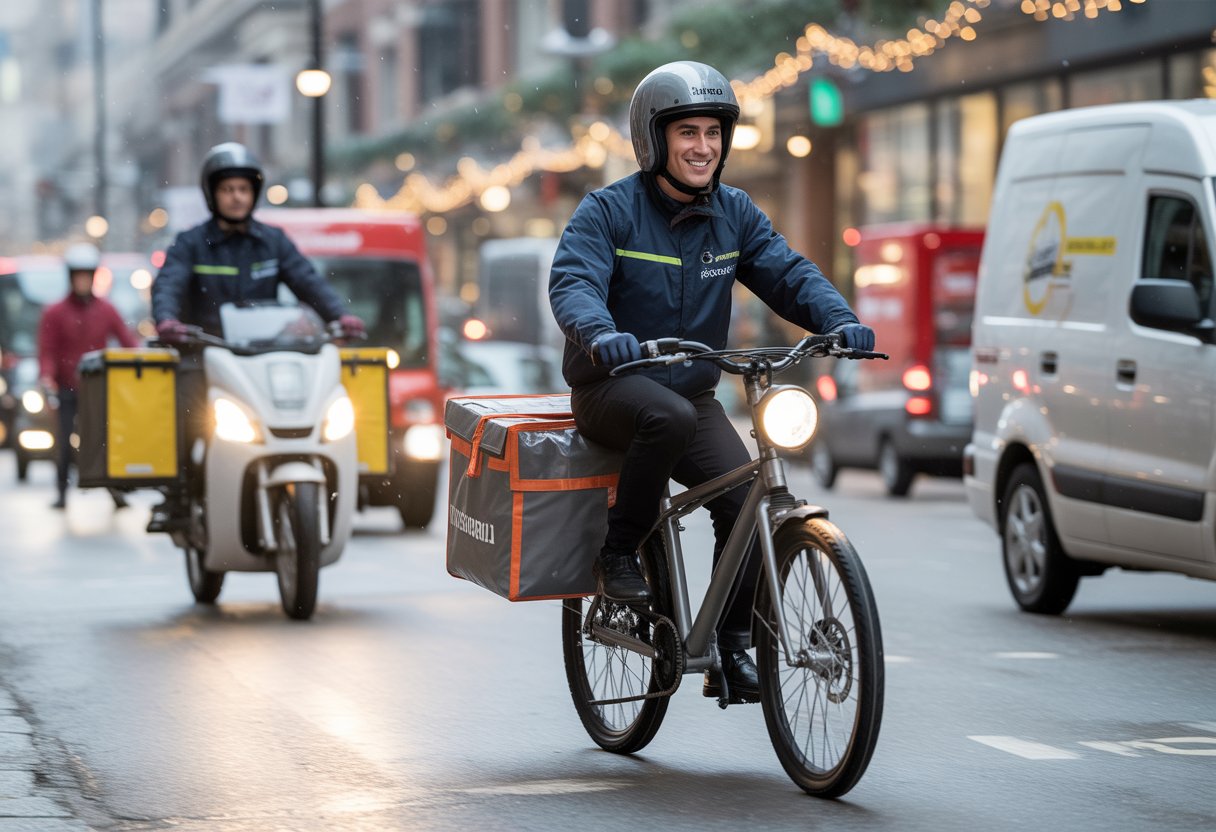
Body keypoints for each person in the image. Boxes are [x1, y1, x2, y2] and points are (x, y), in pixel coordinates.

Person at [548, 61, 875, 703]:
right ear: (655, 140)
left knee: (748, 495)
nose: (703, 147)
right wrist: (599, 333)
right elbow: (574, 283)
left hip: (692, 391)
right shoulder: (608, 211)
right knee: (661, 418)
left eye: (713, 133)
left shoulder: (734, 214)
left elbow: (787, 272)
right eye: (687, 133)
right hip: (613, 385)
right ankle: (619, 554)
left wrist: (840, 319)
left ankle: (732, 644)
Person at [148, 142, 365, 531]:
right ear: (212, 194)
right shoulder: (191, 243)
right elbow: (169, 285)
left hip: (265, 356)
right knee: (188, 414)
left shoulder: (274, 241)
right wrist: (166, 321)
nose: (236, 197)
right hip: (206, 352)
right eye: (228, 189)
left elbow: (307, 281)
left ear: (254, 193)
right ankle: (181, 493)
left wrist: (340, 315)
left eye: (243, 189)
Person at [38, 242, 141, 510]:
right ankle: (62, 491)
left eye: (87, 275)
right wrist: (47, 377)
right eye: (78, 275)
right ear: (71, 277)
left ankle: (114, 490)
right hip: (67, 388)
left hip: (99, 389)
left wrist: (143, 359)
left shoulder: (106, 310)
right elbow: (47, 350)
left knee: (106, 440)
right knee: (64, 442)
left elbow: (127, 340)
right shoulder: (55, 312)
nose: (83, 280)